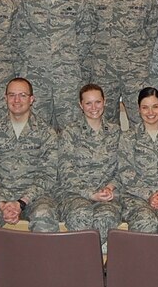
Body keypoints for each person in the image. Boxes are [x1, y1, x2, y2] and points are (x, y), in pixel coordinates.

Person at [82, 0, 158, 126]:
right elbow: (87, 31)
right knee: (105, 121)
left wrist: (140, 55)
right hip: (104, 71)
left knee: (140, 119)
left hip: (135, 71)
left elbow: (152, 27)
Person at [17, 0, 88, 129]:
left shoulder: (78, 0)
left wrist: (70, 59)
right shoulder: (29, 0)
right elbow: (19, 35)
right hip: (37, 77)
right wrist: (34, 59)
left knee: (70, 131)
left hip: (68, 79)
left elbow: (85, 36)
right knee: (37, 130)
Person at [0, 78, 61, 232]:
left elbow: (48, 176)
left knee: (44, 216)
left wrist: (21, 202)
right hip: (0, 197)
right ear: (5, 98)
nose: (17, 100)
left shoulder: (46, 132)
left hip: (35, 198)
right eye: (12, 95)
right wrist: (2, 204)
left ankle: (41, 257)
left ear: (31, 99)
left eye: (23, 95)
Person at [58, 84, 122, 248]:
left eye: (98, 102)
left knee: (106, 217)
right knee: (80, 215)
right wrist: (90, 194)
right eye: (88, 103)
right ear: (80, 105)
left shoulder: (116, 132)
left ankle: (92, 265)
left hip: (108, 196)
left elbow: (124, 168)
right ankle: (84, 267)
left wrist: (110, 187)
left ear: (105, 102)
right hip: (76, 194)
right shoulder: (69, 132)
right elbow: (66, 171)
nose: (94, 107)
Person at [117, 87, 158, 233]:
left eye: (155, 107)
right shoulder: (128, 137)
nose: (150, 112)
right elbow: (125, 172)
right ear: (139, 110)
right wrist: (149, 194)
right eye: (145, 107)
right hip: (136, 197)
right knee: (145, 221)